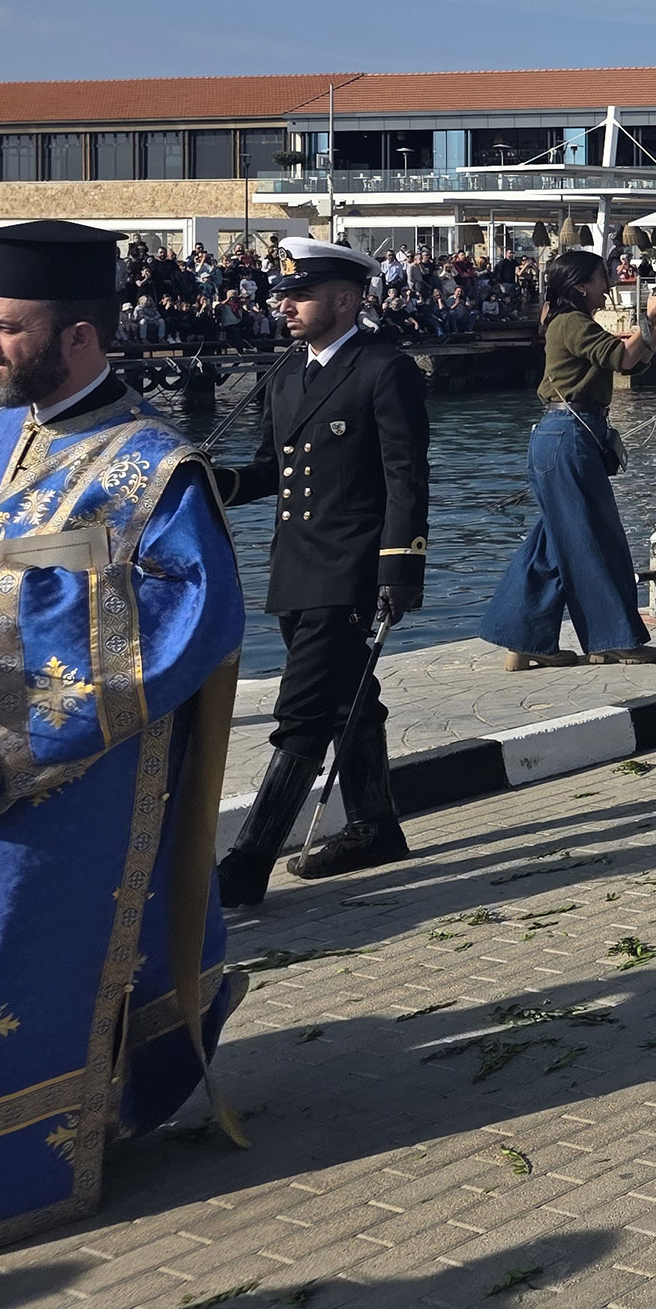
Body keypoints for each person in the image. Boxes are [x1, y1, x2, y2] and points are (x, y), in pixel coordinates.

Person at [0, 221, 250, 1251]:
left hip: (66, 777)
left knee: (20, 961)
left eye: (6, 329)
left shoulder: (152, 468)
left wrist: (25, 735)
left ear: (81, 337)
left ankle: (33, 1166)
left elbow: (196, 618)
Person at [211, 238, 431, 905]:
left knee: (302, 710)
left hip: (354, 568)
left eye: (299, 295)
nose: (285, 307)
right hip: (296, 565)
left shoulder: (382, 368)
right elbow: (274, 470)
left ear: (345, 298)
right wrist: (212, 482)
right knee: (347, 699)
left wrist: (399, 570)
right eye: (282, 296)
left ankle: (247, 865)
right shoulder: (286, 373)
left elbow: (405, 476)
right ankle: (373, 826)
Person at [480, 250, 656, 668]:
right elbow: (622, 358)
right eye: (602, 277)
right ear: (581, 285)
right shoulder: (572, 322)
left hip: (560, 436)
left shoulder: (567, 322)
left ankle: (525, 639)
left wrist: (652, 327)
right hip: (569, 436)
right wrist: (647, 315)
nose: (608, 284)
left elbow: (631, 363)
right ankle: (613, 638)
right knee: (596, 538)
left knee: (552, 542)